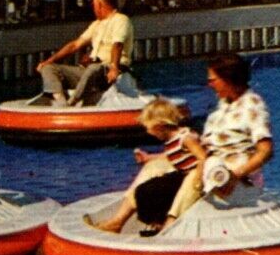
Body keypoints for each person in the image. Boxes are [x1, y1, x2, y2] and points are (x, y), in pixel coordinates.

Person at [86, 98, 208, 235]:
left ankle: (166, 225)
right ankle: (119, 222)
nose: (149, 133)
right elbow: (170, 155)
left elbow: (202, 157)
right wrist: (149, 158)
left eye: (149, 129)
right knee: (147, 188)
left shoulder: (186, 138)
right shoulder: (172, 141)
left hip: (190, 176)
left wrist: (198, 176)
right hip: (181, 174)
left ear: (160, 126)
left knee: (157, 189)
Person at [34, 0, 134, 106]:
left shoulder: (121, 20)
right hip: (89, 69)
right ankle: (60, 101)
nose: (93, 9)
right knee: (49, 68)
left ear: (100, 5)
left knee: (94, 68)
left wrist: (113, 67)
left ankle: (74, 101)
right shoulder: (96, 24)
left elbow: (117, 44)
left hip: (106, 68)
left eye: (94, 5)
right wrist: (49, 61)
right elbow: (75, 44)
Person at [198, 52, 274, 201]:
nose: (209, 85)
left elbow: (266, 151)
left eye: (213, 80)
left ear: (228, 79)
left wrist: (235, 175)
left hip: (232, 180)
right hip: (210, 171)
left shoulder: (252, 106)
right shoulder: (223, 105)